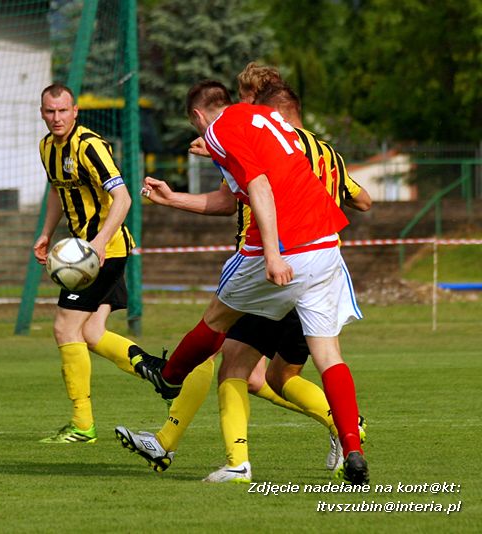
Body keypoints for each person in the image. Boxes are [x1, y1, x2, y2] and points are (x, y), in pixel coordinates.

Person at [118, 79, 371, 482]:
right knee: (328, 357)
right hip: (325, 243)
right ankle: (353, 449)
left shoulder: (218, 130)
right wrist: (174, 197)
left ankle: (167, 378)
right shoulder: (265, 118)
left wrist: (272, 254)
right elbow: (238, 191)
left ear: (199, 117)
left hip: (279, 247)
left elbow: (259, 186)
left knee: (217, 319)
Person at [34, 83, 154, 444]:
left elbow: (123, 198)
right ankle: (164, 374)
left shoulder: (89, 145)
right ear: (42, 113)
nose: (56, 118)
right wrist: (45, 232)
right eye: (49, 111)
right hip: (95, 252)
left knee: (64, 329)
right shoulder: (46, 147)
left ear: (75, 112)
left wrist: (98, 244)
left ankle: (82, 425)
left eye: (62, 111)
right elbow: (58, 190)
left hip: (106, 251)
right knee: (92, 334)